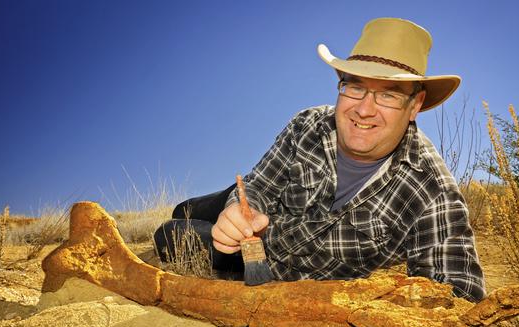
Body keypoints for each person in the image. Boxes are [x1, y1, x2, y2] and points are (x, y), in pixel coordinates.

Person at [155, 18, 485, 302]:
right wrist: (240, 209)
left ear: (415, 106)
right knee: (186, 209)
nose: (364, 109)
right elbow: (258, 185)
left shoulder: (432, 190)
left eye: (388, 94)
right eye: (355, 88)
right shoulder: (308, 124)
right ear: (340, 86)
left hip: (264, 262)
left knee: (169, 234)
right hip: (255, 217)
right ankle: (208, 206)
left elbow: (459, 291)